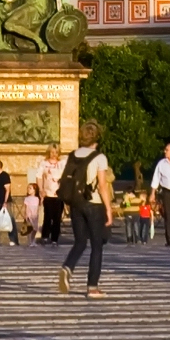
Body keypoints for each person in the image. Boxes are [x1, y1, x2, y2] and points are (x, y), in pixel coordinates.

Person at [57, 121, 113, 296]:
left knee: (80, 242)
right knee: (97, 245)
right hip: (93, 203)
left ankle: (67, 267)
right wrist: (109, 208)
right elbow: (102, 185)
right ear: (97, 137)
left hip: (76, 203)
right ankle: (92, 286)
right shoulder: (99, 157)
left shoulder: (72, 155)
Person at [36, 147, 67, 244]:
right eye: (52, 152)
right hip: (48, 194)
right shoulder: (44, 163)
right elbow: (39, 177)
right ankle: (45, 236)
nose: (54, 154)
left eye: (56, 152)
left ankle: (55, 238)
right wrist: (41, 189)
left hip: (59, 194)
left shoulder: (62, 164)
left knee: (57, 218)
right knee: (48, 216)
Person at [0, 161, 16, 244]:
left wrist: (5, 201)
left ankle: (14, 240)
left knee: (10, 220)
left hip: (4, 201)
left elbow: (7, 189)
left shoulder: (4, 176)